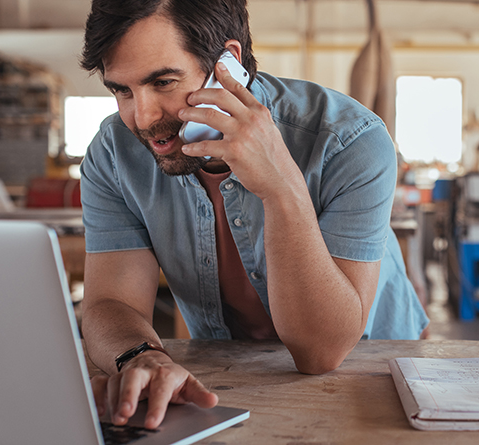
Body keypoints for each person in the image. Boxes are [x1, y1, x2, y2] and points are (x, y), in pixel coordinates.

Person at [77, 0, 429, 430]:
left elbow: (320, 354)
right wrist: (140, 355)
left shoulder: (349, 141)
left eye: (164, 82)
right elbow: (110, 302)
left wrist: (281, 187)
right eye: (122, 91)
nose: (143, 116)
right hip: (228, 376)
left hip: (373, 369)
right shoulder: (113, 154)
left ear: (228, 62)